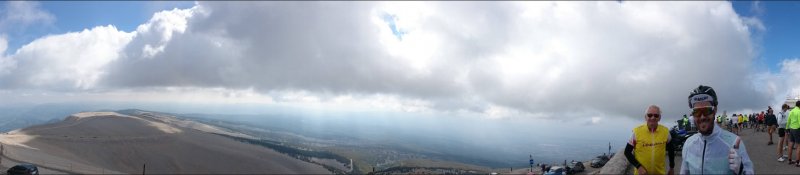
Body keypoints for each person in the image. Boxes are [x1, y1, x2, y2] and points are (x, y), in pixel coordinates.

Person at [681, 85, 753, 174]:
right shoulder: (688, 143)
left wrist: (742, 170)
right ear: (692, 114)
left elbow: (749, 171)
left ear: (714, 110)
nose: (702, 117)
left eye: (707, 110)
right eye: (697, 111)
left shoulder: (734, 142)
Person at [624, 105, 675, 175]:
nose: (653, 117)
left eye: (656, 115)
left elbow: (671, 150)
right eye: (650, 115)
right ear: (645, 117)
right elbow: (627, 152)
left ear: (659, 118)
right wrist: (638, 167)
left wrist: (672, 167)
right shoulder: (636, 132)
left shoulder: (665, 131)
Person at [787, 101, 800, 166]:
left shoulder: (791, 111)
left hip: (791, 129)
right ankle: (798, 162)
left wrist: (787, 128)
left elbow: (788, 120)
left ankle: (789, 160)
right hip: (797, 129)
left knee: (791, 144)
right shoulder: (799, 111)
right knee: (798, 146)